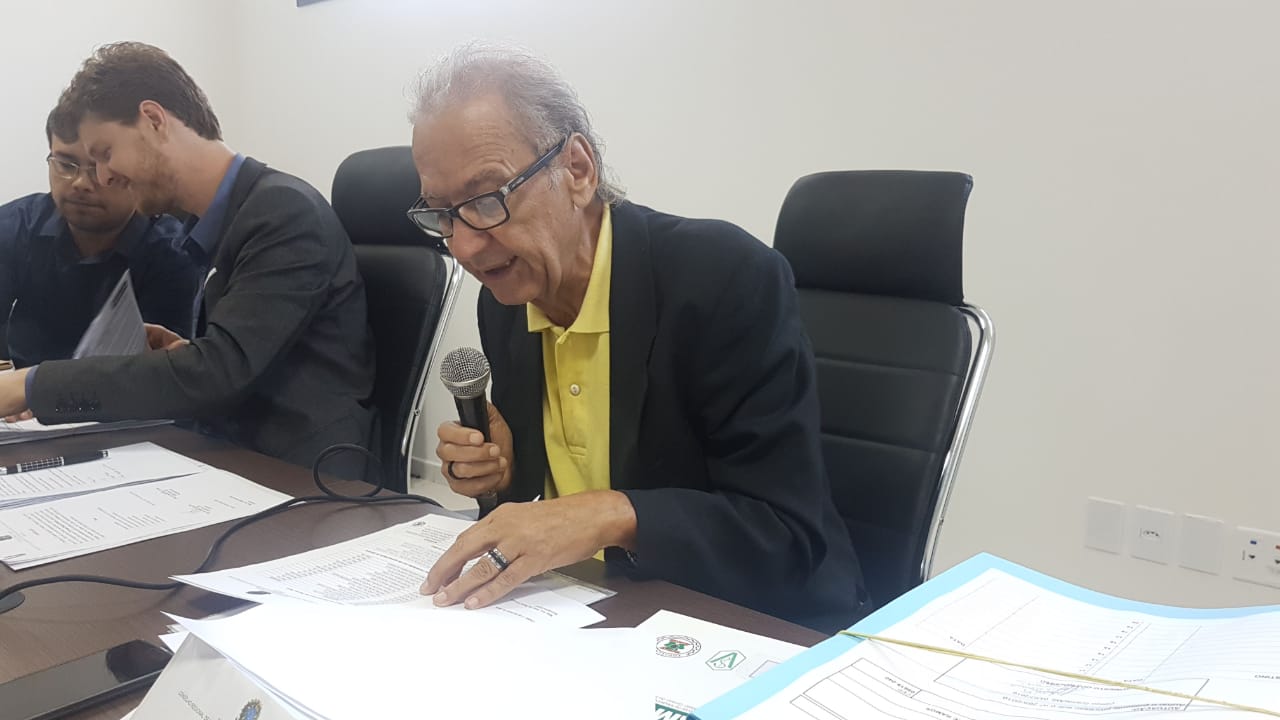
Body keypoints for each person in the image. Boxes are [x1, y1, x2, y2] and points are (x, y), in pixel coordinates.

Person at [414, 43, 866, 631]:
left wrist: (606, 514)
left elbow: (783, 536)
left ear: (577, 171)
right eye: (443, 214)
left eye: (487, 199)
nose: (465, 246)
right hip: (595, 603)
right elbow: (549, 496)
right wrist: (504, 473)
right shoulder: (508, 299)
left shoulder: (723, 277)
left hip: (753, 620)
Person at [0, 42, 376, 476]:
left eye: (104, 154)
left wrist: (30, 384)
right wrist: (188, 352)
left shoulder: (283, 212)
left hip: (302, 473)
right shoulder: (225, 218)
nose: (102, 177)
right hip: (229, 452)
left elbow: (216, 375)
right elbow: (237, 360)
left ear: (153, 121)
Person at [0, 108, 198, 368]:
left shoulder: (175, 253)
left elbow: (157, 375)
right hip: (18, 386)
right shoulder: (14, 226)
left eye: (100, 168)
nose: (80, 183)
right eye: (65, 164)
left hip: (118, 391)